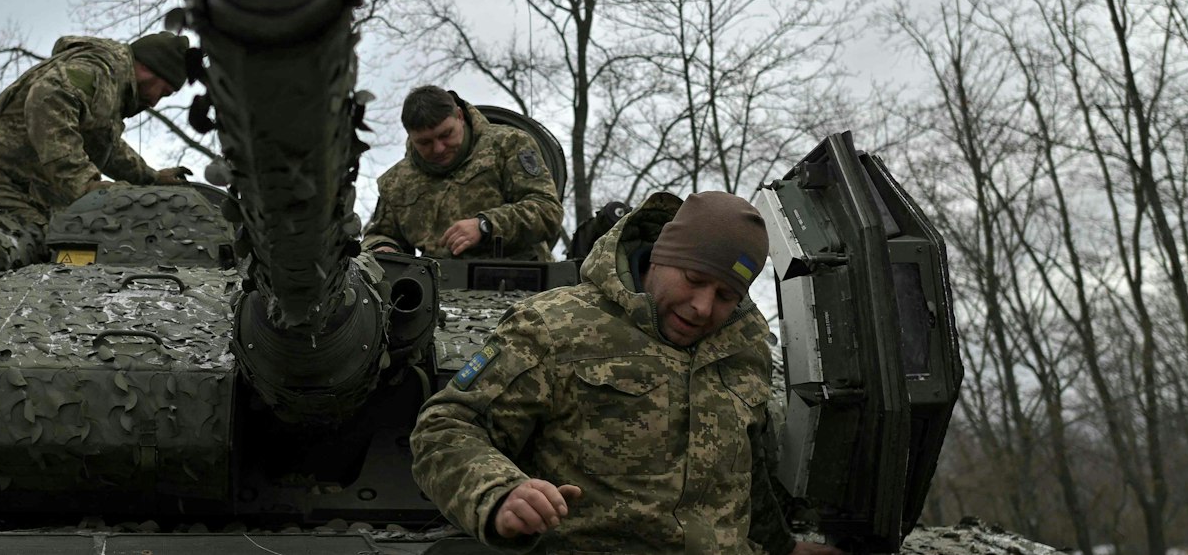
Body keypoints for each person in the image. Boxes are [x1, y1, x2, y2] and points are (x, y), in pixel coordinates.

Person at [409, 190, 847, 555]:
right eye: (694, 279)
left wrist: (783, 547)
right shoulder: (555, 325)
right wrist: (500, 493)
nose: (702, 307)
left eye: (727, 295)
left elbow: (743, 473)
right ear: (659, 256)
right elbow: (447, 427)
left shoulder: (744, 348)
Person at [0, 32, 196, 302]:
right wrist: (84, 184)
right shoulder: (99, 70)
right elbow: (48, 99)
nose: (157, 102)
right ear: (149, 70)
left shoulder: (105, 81)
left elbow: (106, 145)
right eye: (165, 91)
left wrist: (150, 177)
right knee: (59, 243)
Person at [362, 86, 563, 261]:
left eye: (446, 135)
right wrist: (383, 249)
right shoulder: (397, 181)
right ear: (410, 136)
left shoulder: (508, 145)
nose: (439, 148)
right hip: (437, 289)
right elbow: (379, 234)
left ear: (459, 116)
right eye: (425, 142)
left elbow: (547, 211)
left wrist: (486, 225)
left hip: (520, 283)